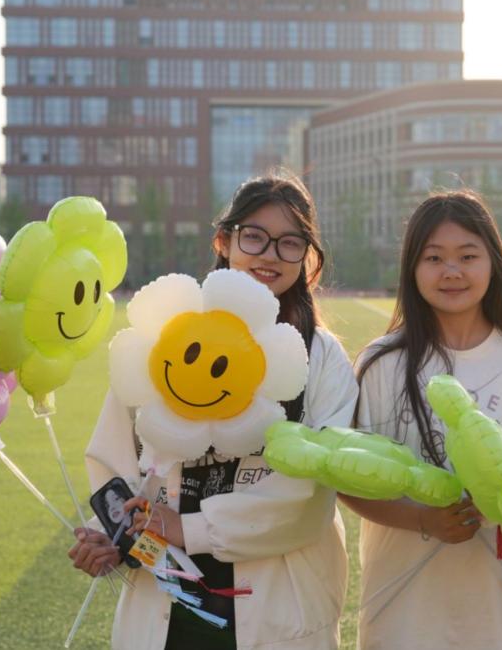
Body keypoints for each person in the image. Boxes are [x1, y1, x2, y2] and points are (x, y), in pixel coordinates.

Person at [67, 174, 358, 650]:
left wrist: (190, 528)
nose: (269, 255)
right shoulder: (165, 337)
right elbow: (115, 457)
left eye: (290, 243)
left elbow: (312, 494)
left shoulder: (320, 356)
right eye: (254, 237)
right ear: (224, 240)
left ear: (307, 256)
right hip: (165, 604)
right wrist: (111, 535)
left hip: (278, 604)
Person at [342, 190, 502, 650]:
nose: (452, 271)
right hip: (401, 611)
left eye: (468, 256)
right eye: (434, 257)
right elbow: (348, 479)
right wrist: (424, 518)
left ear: (494, 262)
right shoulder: (382, 363)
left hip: (497, 607)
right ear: (412, 268)